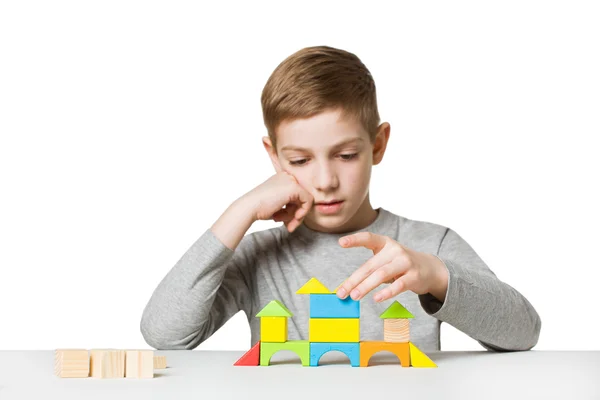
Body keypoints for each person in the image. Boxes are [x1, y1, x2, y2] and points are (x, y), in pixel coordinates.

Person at [140, 45, 541, 353]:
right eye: (300, 160)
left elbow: (523, 333)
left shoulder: (428, 246)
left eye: (346, 155)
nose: (326, 181)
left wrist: (435, 275)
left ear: (378, 144)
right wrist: (239, 211)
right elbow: (166, 335)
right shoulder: (259, 256)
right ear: (274, 156)